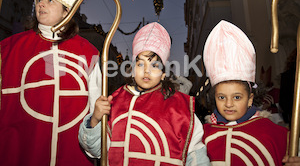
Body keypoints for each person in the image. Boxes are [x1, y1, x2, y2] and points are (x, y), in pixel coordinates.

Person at [0, 0, 101, 165]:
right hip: (19, 154)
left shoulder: (88, 52)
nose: (41, 5)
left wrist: (96, 132)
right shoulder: (9, 48)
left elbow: (95, 108)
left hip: (70, 155)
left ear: (66, 10)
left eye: (50, 0)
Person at [78, 22, 210, 165]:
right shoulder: (115, 101)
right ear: (133, 70)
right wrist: (95, 120)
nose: (146, 70)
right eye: (140, 64)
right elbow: (97, 150)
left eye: (154, 65)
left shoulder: (180, 107)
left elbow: (196, 155)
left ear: (163, 74)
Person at [202, 20, 289, 165]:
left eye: (237, 97)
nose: (229, 104)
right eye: (221, 97)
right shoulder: (202, 135)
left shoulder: (275, 133)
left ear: (250, 99)